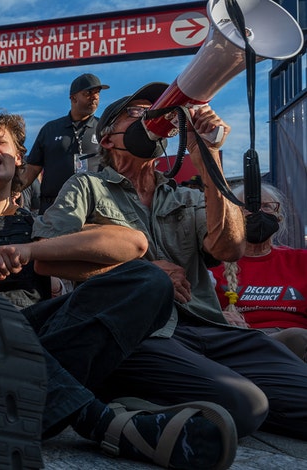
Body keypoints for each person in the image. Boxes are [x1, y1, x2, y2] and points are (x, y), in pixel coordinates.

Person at [0, 111, 237, 469]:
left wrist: (31, 251)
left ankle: (0, 417)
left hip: (38, 343)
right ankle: (98, 420)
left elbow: (132, 244)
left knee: (149, 280)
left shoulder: (45, 225)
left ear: (19, 160)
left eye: (0, 143)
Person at [37, 82, 307, 441]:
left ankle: (139, 398)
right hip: (142, 332)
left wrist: (206, 156)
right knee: (241, 405)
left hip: (209, 327)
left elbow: (228, 249)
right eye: (137, 113)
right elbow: (46, 253)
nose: (154, 119)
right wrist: (138, 272)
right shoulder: (87, 187)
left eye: (159, 113)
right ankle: (119, 402)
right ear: (108, 140)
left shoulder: (184, 195)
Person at [211, 183, 307, 362]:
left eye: (267, 206)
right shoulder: (213, 265)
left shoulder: (301, 261)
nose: (258, 212)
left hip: (297, 344)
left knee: (298, 337)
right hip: (239, 343)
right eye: (249, 207)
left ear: (278, 217)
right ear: (232, 218)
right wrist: (215, 316)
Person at [21, 73, 108, 214]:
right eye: (88, 93)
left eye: (97, 92)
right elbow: (31, 171)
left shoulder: (103, 129)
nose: (95, 97)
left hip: (94, 209)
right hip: (53, 210)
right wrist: (12, 192)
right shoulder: (50, 129)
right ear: (73, 98)